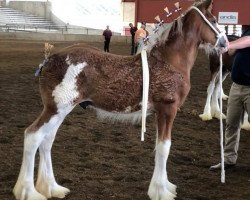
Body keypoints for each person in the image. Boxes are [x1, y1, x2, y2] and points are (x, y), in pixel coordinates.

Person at [210, 25, 250, 171]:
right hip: (236, 86)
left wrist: (229, 45)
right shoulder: (245, 30)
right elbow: (235, 48)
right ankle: (228, 159)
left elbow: (247, 40)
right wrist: (231, 47)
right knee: (231, 124)